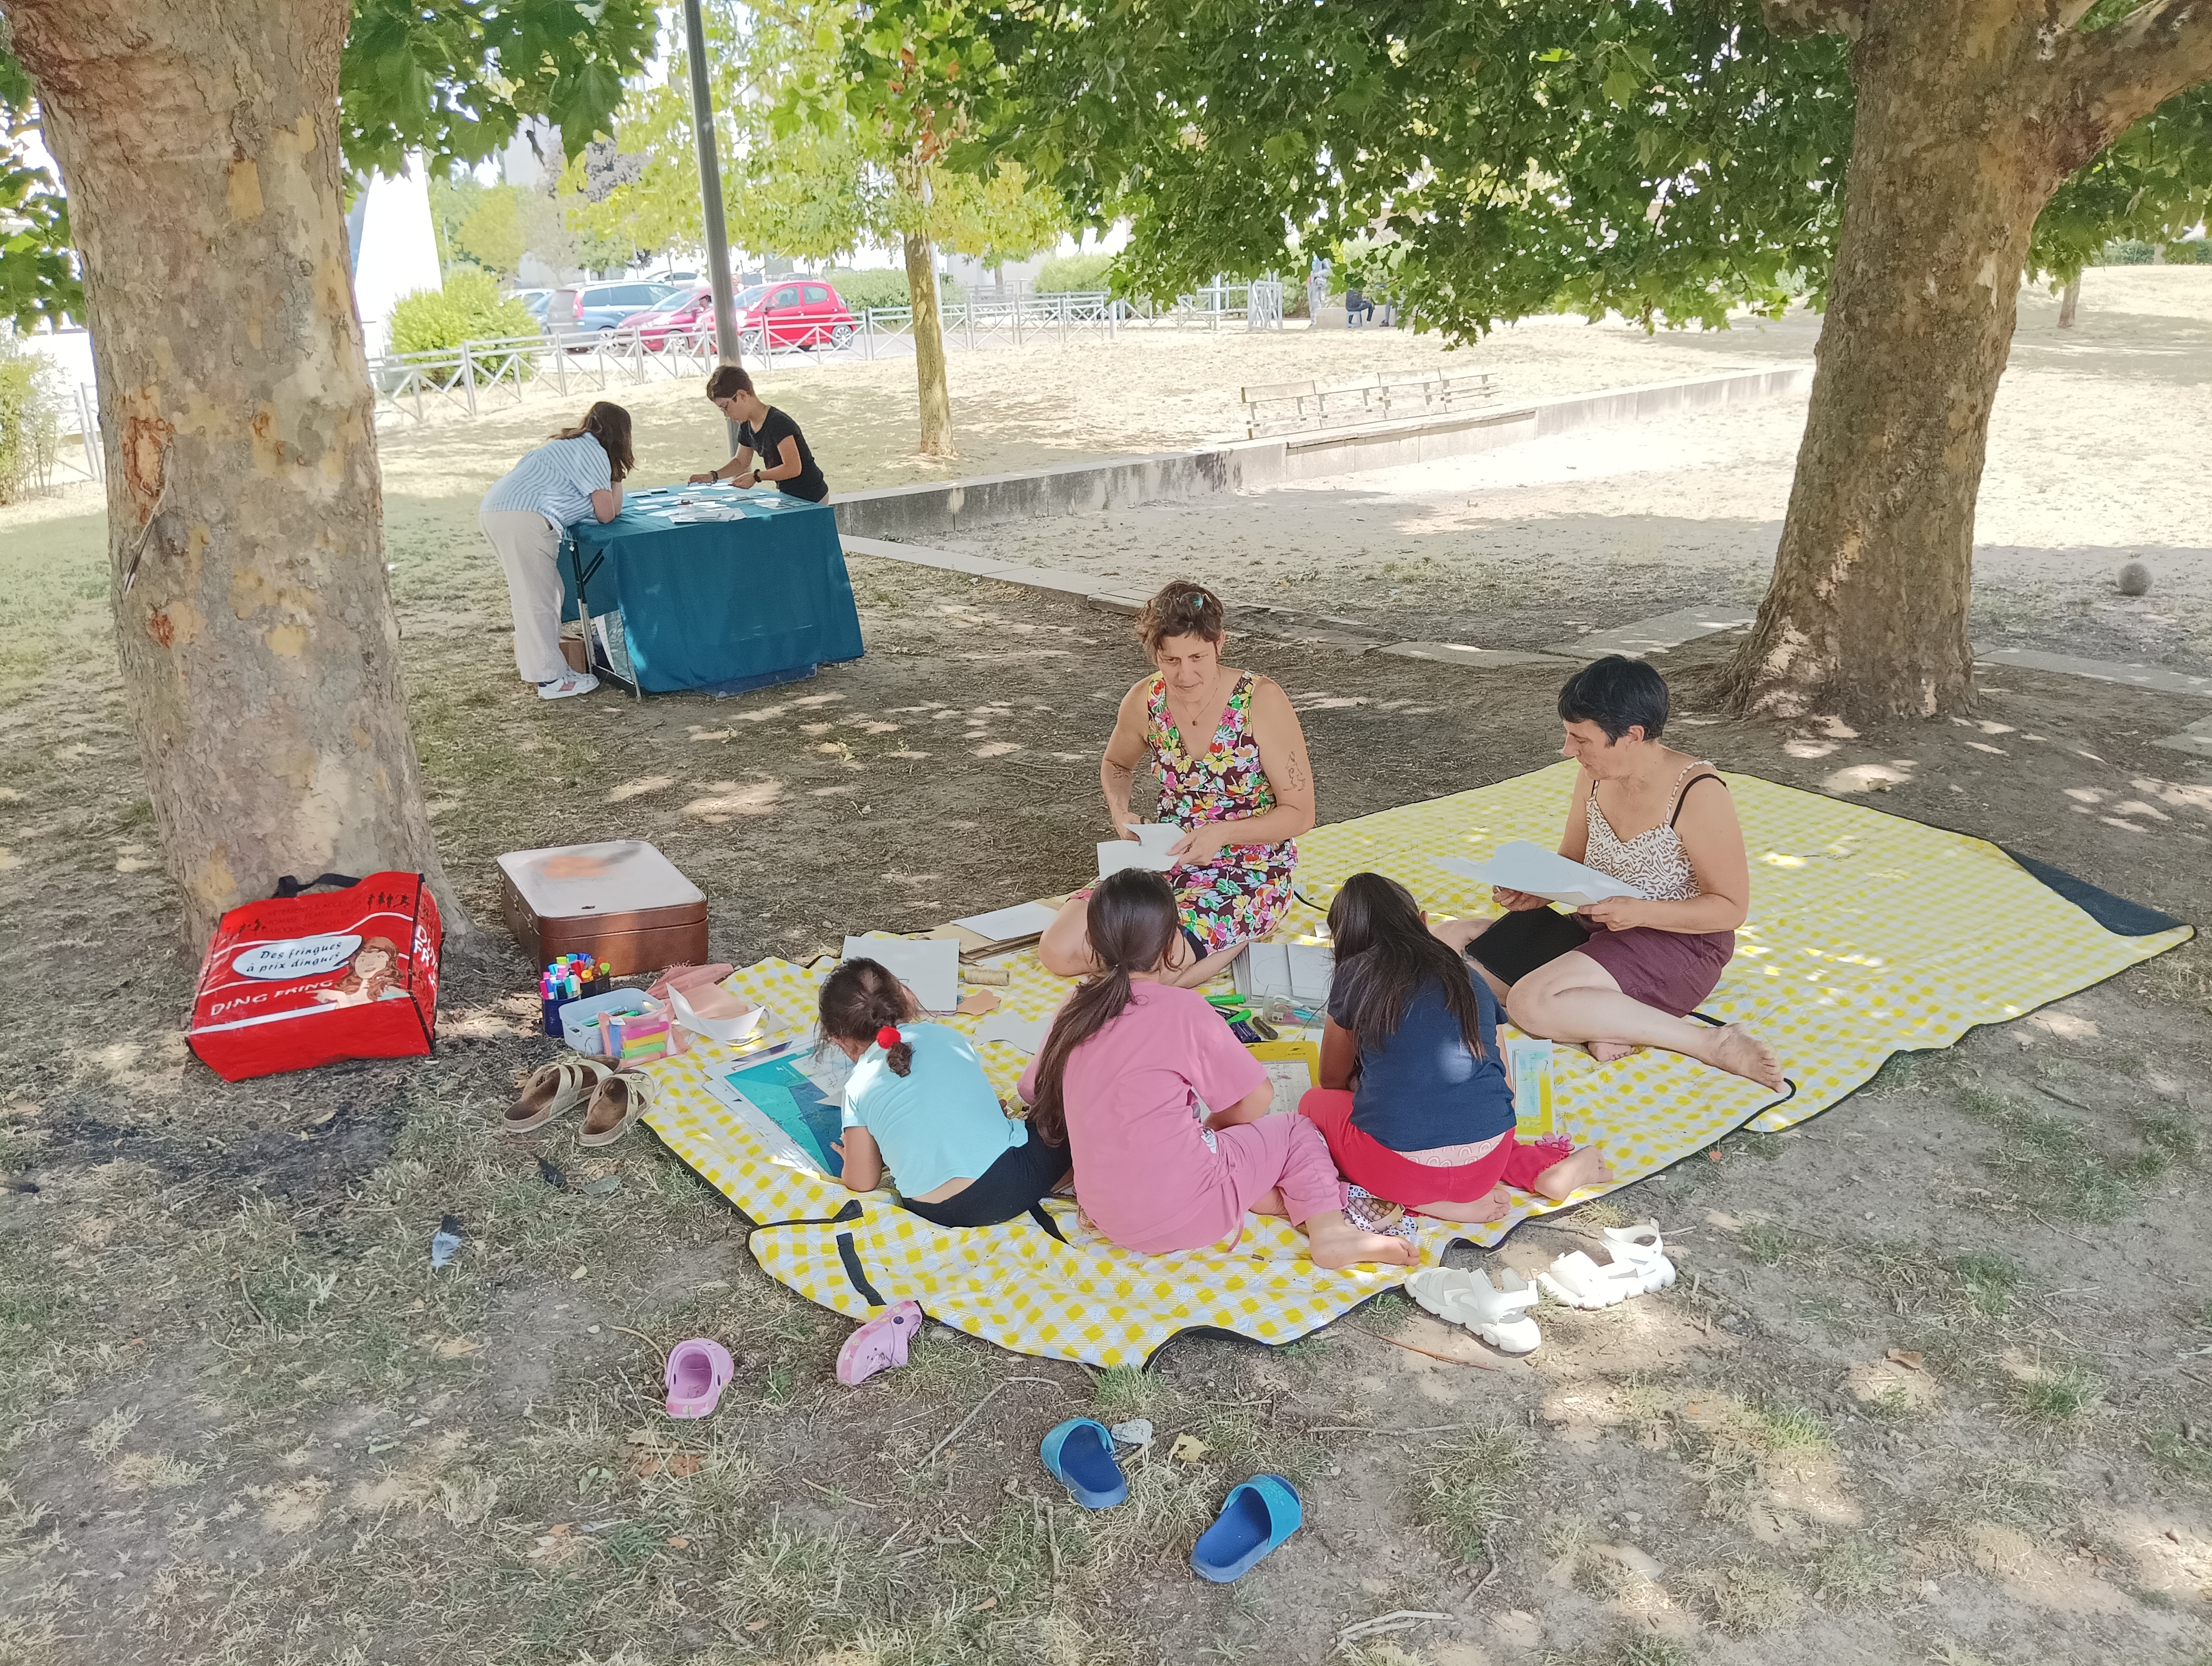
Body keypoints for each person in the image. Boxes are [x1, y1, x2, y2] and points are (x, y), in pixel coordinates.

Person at [1019, 870, 1414, 1268]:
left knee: (1231, 1158)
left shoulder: (1074, 1005)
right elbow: (1257, 1101)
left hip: (1108, 1216)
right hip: (1189, 1212)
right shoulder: (1184, 1010)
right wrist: (1214, 1132)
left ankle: (1287, 1197)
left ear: (1093, 941)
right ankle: (1330, 1231)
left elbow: (1032, 1090)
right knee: (1296, 1131)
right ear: (1174, 942)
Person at [1433, 657, 1784, 1091]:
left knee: (1531, 1003)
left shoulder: (1699, 792)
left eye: (1581, 739)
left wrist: (1640, 912)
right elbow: (1571, 863)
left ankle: (1710, 1042)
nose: (1567, 750)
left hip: (1680, 945)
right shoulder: (1593, 776)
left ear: (1632, 736)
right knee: (1447, 942)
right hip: (1599, 928)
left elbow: (1730, 910)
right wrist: (1538, 892)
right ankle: (1603, 1021)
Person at [1038, 581, 1315, 989]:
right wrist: (1120, 812)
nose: (1185, 675)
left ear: (1220, 642)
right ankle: (1183, 959)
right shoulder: (1145, 700)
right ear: (1155, 654)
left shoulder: (1262, 700)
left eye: (1198, 657)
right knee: (1058, 951)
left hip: (1248, 867)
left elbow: (1300, 814)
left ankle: (1240, 934)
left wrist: (1222, 833)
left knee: (1151, 972)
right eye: (1171, 660)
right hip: (1163, 857)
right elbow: (1116, 764)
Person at [1300, 874, 1612, 1224]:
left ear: (1342, 941)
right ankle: (1540, 1172)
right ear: (1424, 921)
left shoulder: (1354, 974)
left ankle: (1429, 1204)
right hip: (1485, 1164)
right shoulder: (1468, 976)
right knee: (1472, 1113)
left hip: (1395, 1173)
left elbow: (1331, 1079)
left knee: (1313, 1103)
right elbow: (1504, 1089)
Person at [818, 958, 1069, 1228]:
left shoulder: (856, 1087)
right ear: (905, 996)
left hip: (932, 1210)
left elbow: (862, 1181)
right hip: (1008, 1185)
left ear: (839, 1040)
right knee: (1062, 1122)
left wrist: (851, 1160)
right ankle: (1074, 1178)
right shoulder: (947, 1037)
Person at [478, 401, 632, 701]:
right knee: (539, 600)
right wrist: (616, 473)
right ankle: (550, 680)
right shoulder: (594, 453)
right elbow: (607, 513)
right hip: (523, 517)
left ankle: (543, 667)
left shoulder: (569, 445)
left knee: (543, 593)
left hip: (498, 510)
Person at [689, 366, 828, 502]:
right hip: (789, 495)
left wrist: (756, 477)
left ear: (742, 395)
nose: (726, 414)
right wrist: (713, 476)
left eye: (725, 406)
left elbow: (793, 468)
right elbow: (741, 462)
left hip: (813, 496)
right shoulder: (746, 425)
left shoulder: (778, 422)